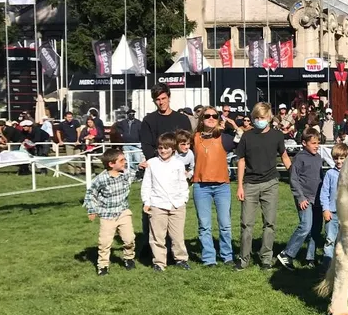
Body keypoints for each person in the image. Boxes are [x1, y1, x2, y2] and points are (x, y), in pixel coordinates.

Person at [235, 102, 292, 270]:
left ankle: (266, 258)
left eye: (262, 117)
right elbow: (241, 160)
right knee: (246, 224)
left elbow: (285, 156)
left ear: (269, 117)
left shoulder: (277, 136)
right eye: (256, 118)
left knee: (270, 223)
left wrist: (294, 174)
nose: (259, 120)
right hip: (250, 184)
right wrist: (239, 186)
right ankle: (243, 259)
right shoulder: (247, 136)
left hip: (270, 184)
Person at [191, 106, 236, 267]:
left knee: (225, 225)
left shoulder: (224, 138)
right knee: (204, 226)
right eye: (207, 116)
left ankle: (227, 255)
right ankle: (209, 258)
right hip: (201, 186)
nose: (211, 118)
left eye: (214, 116)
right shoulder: (194, 138)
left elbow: (243, 139)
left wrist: (231, 124)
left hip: (222, 186)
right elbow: (181, 154)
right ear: (201, 119)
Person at [141, 132, 190, 272]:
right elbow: (147, 185)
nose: (163, 151)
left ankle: (181, 259)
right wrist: (147, 202)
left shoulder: (178, 164)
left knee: (177, 235)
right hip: (157, 205)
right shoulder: (151, 163)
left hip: (177, 205)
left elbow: (183, 184)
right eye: (161, 148)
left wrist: (183, 200)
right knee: (157, 235)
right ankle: (159, 262)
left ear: (173, 148)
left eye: (166, 148)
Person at [83, 147, 136, 276]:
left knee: (129, 239)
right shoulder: (101, 179)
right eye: (121, 160)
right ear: (111, 164)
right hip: (107, 215)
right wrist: (91, 210)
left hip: (123, 212)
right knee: (105, 242)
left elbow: (137, 173)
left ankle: (129, 258)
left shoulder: (126, 174)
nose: (125, 163)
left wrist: (142, 167)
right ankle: (103, 266)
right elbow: (91, 194)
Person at [277, 129, 325, 269]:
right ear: (304, 143)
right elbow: (294, 179)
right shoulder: (300, 157)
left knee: (316, 229)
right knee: (305, 226)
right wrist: (300, 197)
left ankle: (310, 258)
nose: (316, 146)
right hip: (305, 198)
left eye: (318, 143)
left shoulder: (317, 157)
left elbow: (320, 177)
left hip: (317, 198)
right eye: (313, 143)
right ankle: (287, 254)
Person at [317, 141, 348, 272]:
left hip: (346, 213)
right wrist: (325, 209)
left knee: (345, 240)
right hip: (332, 212)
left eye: (342, 158)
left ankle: (344, 265)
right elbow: (324, 193)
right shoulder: (330, 174)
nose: (339, 161)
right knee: (330, 238)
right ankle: (327, 264)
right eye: (336, 158)